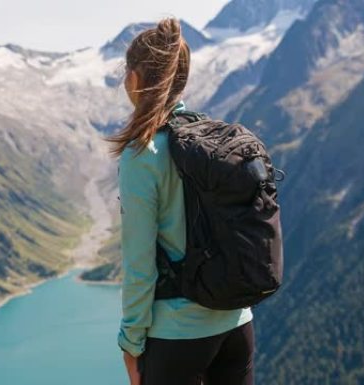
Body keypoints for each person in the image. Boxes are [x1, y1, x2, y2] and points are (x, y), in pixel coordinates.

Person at [104, 17, 255, 385]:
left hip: (178, 336)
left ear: (134, 80)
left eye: (126, 72)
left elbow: (140, 262)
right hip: (238, 324)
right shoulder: (214, 138)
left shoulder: (144, 153)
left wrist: (131, 343)